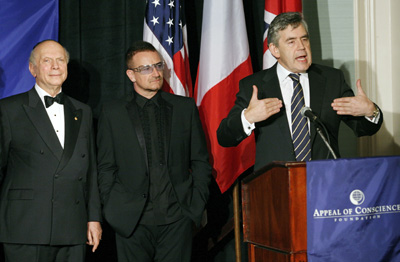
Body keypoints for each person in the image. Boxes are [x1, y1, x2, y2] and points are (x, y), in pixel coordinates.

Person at [217, 12, 383, 170]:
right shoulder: (255, 86)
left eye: (304, 39)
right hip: (275, 186)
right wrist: (248, 117)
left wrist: (371, 112)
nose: (302, 47)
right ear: (275, 50)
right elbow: (225, 137)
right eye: (291, 42)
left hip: (325, 182)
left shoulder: (332, 79)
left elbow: (362, 129)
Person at [96, 41, 211, 262]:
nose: (156, 73)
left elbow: (200, 161)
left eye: (158, 66)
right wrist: (113, 208)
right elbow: (106, 166)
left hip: (178, 219)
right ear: (131, 75)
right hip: (131, 221)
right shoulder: (112, 113)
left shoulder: (184, 108)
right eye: (146, 68)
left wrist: (195, 205)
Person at [0, 40, 102, 262]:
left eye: (60, 60)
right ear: (32, 69)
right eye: (47, 61)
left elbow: (91, 171)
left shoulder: (83, 112)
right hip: (26, 227)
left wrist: (93, 218)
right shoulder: (8, 110)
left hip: (72, 227)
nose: (55, 66)